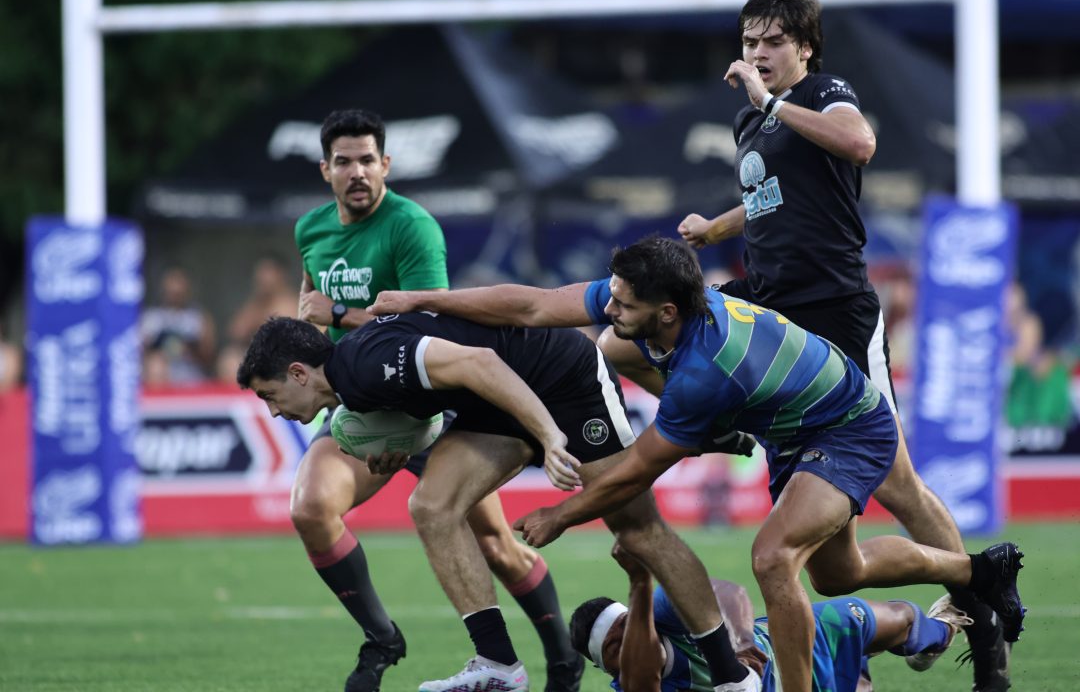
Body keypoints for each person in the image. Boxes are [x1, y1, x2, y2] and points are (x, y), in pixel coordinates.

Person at [367, 235, 1026, 692]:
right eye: (614, 295)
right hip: (793, 429)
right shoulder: (652, 306)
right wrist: (427, 300)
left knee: (773, 558)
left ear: (667, 312)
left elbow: (632, 473)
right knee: (838, 574)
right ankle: (978, 571)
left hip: (848, 427)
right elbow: (535, 305)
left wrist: (560, 514)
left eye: (623, 303)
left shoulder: (707, 369)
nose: (611, 306)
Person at [673, 0, 1011, 692]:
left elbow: (860, 143)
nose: (758, 53)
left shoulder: (825, 93)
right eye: (750, 40)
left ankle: (977, 609)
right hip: (777, 318)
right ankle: (725, 429)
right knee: (835, 570)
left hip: (835, 316)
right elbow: (773, 200)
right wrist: (717, 228)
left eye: (771, 41)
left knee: (897, 478)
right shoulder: (753, 125)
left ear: (804, 47)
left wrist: (770, 102)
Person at [238, 314, 761, 692]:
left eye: (270, 395)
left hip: (563, 379)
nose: (275, 411)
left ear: (300, 373)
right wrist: (403, 448)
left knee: (638, 532)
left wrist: (551, 437)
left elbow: (478, 361)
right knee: (432, 506)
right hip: (498, 404)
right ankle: (498, 663)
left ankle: (731, 678)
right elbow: (433, 407)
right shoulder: (356, 396)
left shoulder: (362, 364)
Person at [285, 109, 582, 692]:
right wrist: (309, 341)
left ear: (386, 164)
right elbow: (309, 306)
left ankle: (562, 660)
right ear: (325, 170)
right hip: (360, 403)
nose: (357, 172)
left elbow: (434, 323)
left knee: (493, 542)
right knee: (309, 507)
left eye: (368, 159)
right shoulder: (310, 230)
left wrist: (340, 314)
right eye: (344, 161)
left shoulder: (412, 225)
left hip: (428, 403)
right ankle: (382, 638)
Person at [572, 542, 974, 692]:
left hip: (794, 641)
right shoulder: (635, 683)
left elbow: (726, 592)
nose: (627, 641)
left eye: (626, 627)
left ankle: (942, 631)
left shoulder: (663, 612)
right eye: (613, 647)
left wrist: (744, 642)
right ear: (607, 669)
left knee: (901, 619)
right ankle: (857, 676)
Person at [216, 255, 299, 383]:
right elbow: (236, 332)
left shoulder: (290, 302)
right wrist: (258, 307)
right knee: (229, 358)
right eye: (260, 273)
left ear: (281, 275)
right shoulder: (256, 303)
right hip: (259, 358)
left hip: (286, 360)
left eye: (268, 272)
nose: (263, 278)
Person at [140, 266, 216, 387]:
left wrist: (189, 349)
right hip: (159, 378)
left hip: (191, 378)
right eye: (171, 287)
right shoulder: (151, 318)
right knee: (155, 365)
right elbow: (138, 355)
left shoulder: (198, 317)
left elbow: (209, 357)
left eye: (179, 286)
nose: (175, 291)